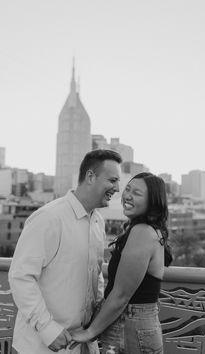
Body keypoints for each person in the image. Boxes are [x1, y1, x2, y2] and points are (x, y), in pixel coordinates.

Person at [8, 149, 122, 354]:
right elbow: (21, 276)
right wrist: (47, 329)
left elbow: (96, 277)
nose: (117, 188)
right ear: (90, 176)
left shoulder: (98, 221)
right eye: (112, 180)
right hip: (41, 346)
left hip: (83, 343)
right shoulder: (48, 218)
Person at [70, 172, 172, 354]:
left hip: (129, 326)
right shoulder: (148, 230)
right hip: (135, 325)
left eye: (137, 193)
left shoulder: (142, 232)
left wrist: (90, 332)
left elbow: (121, 295)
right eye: (128, 189)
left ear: (153, 201)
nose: (127, 196)